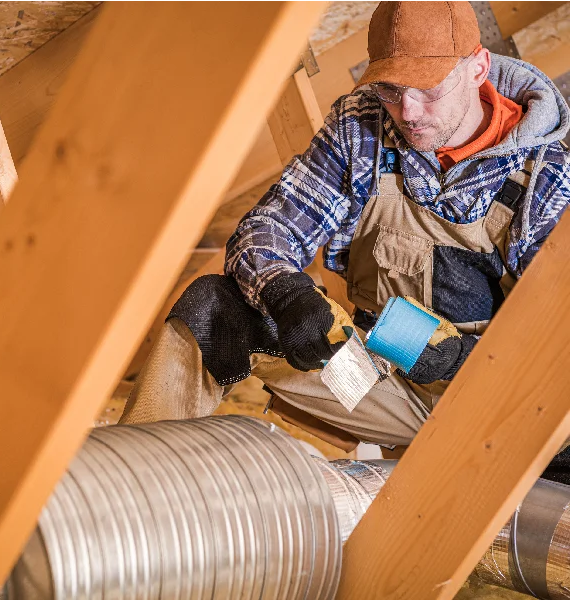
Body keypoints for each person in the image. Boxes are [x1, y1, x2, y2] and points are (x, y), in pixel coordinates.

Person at [119, 0, 570, 453]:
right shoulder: (363, 124)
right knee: (214, 309)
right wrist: (288, 296)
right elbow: (267, 230)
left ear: (478, 67)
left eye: (427, 89)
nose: (408, 111)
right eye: (391, 89)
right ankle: (128, 485)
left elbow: (555, 350)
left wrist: (460, 361)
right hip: (373, 379)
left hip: (493, 403)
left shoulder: (545, 178)